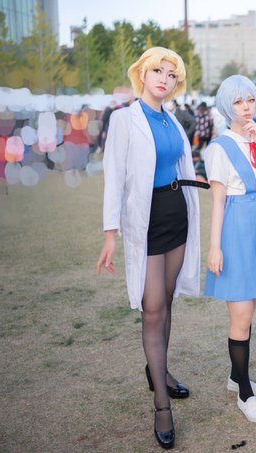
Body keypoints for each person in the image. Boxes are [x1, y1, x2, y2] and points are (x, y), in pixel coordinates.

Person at [96, 47, 206, 449]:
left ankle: (159, 370)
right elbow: (114, 176)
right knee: (153, 306)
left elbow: (182, 166)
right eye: (157, 70)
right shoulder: (124, 119)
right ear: (142, 74)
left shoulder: (172, 120)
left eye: (171, 74)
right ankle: (161, 403)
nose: (164, 78)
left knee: (168, 300)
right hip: (146, 220)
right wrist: (110, 233)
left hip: (177, 214)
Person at [202, 75, 256, 423]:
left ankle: (237, 377)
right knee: (241, 314)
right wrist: (214, 247)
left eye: (250, 100)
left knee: (252, 305)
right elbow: (218, 201)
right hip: (235, 227)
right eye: (238, 102)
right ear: (226, 106)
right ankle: (244, 393)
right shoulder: (219, 148)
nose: (246, 107)